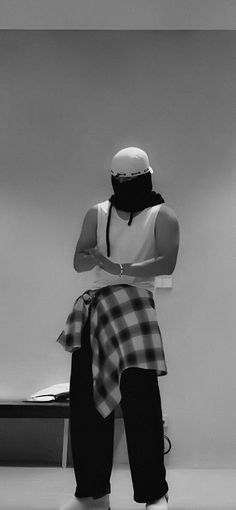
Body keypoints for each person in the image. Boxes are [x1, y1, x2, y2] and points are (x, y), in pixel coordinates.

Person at [59, 147, 180, 510]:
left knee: (142, 406)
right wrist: (97, 260)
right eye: (120, 179)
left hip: (135, 313)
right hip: (94, 312)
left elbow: (167, 263)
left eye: (131, 179)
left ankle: (154, 494)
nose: (125, 185)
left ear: (146, 176)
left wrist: (119, 268)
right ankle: (93, 494)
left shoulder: (163, 215)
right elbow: (80, 261)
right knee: (86, 405)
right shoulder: (97, 213)